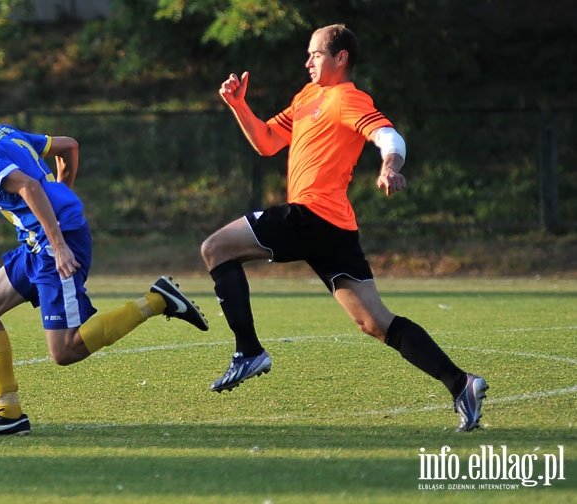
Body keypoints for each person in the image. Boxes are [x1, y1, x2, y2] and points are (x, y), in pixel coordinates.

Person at [201, 24, 487, 431]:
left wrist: (390, 166)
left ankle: (248, 351)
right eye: (308, 54)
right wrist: (238, 105)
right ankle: (462, 383)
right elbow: (265, 141)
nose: (308, 62)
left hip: (311, 215)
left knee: (216, 248)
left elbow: (389, 136)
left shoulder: (348, 98)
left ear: (341, 59)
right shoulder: (306, 97)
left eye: (316, 54)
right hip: (334, 228)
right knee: (374, 322)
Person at [0, 104, 209, 436]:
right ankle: (9, 414)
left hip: (53, 244)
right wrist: (61, 195)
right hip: (37, 242)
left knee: (65, 350)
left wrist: (58, 243)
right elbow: (68, 146)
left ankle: (157, 300)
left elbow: (29, 187)